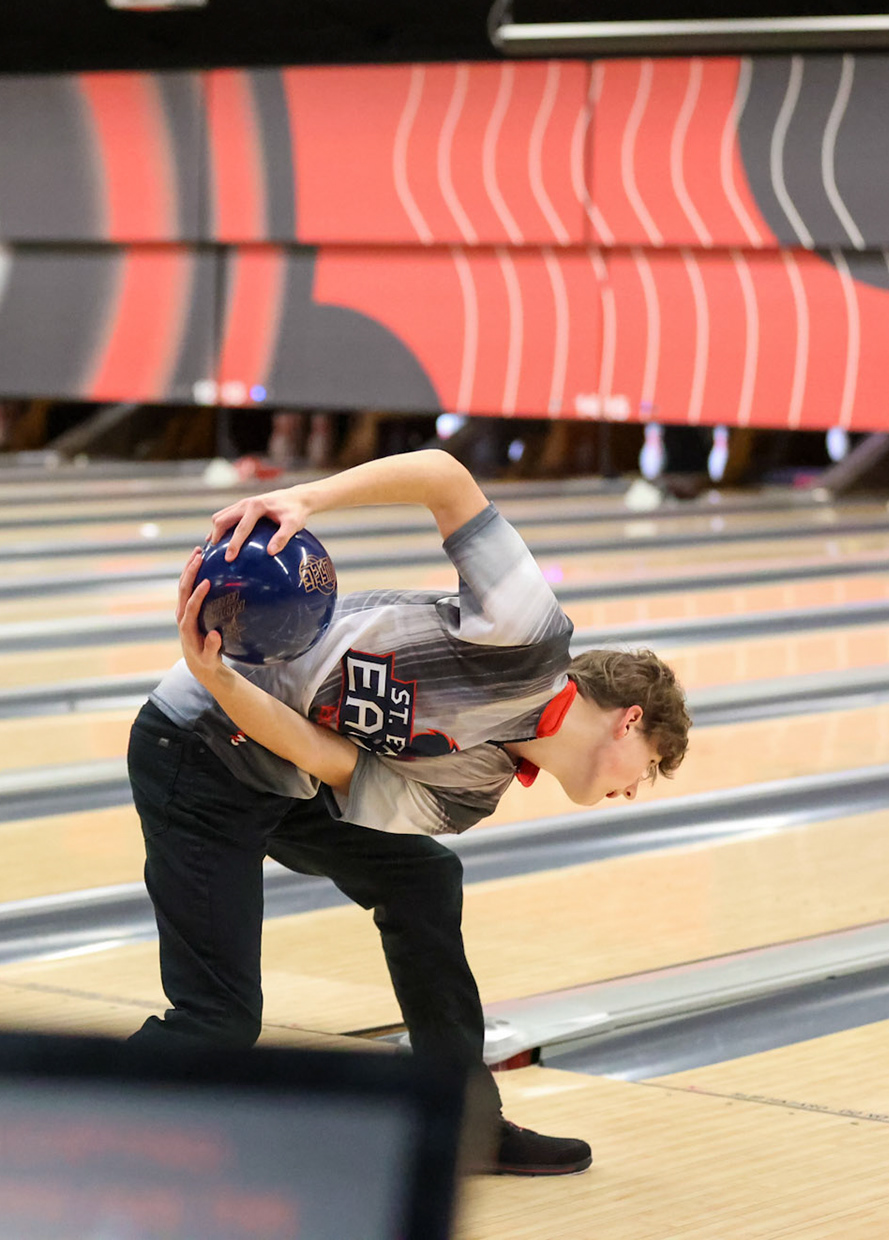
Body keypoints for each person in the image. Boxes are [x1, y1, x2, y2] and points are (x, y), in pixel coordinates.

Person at [128, 449, 691, 1176]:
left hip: (282, 768)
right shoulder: (527, 634)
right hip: (195, 753)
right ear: (628, 720)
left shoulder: (472, 790)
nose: (632, 789)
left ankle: (461, 1123)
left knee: (423, 881)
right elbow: (445, 476)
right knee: (218, 1024)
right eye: (645, 768)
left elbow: (333, 765)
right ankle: (30, 1122)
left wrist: (230, 686)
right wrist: (304, 500)